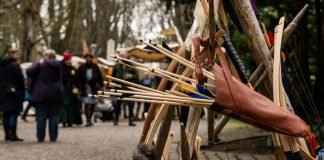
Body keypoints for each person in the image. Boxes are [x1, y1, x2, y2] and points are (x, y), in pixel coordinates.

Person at [26, 49, 63, 142]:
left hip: (41, 93)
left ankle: (40, 137)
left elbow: (29, 72)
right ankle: (53, 137)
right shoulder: (59, 65)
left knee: (41, 116)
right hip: (55, 93)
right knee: (54, 116)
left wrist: (37, 63)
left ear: (46, 56)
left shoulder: (40, 64)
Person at [0, 48, 25, 141]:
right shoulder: (14, 65)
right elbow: (20, 79)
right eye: (17, 54)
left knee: (6, 113)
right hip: (15, 92)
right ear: (12, 54)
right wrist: (22, 90)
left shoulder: (2, 65)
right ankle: (13, 134)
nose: (19, 56)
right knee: (14, 112)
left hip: (3, 91)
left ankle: (7, 134)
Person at [112, 51, 138, 126]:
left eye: (124, 55)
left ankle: (131, 120)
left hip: (128, 87)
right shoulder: (116, 66)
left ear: (127, 56)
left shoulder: (131, 66)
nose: (122, 57)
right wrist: (114, 85)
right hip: (119, 87)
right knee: (117, 104)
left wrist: (131, 76)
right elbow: (113, 76)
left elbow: (136, 76)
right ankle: (116, 119)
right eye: (121, 55)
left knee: (130, 104)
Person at [77, 54, 103, 127]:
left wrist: (101, 86)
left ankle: (90, 116)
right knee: (86, 103)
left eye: (89, 58)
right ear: (85, 59)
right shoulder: (81, 67)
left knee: (92, 103)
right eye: (87, 58)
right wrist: (79, 88)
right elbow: (78, 79)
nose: (88, 59)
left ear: (91, 59)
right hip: (84, 87)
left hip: (93, 87)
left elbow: (100, 77)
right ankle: (88, 119)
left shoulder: (95, 67)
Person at [59, 52, 82, 127]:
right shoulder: (60, 68)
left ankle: (71, 120)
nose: (68, 62)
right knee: (64, 104)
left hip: (72, 89)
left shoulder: (73, 69)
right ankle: (64, 120)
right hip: (64, 88)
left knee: (73, 105)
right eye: (67, 60)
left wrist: (77, 87)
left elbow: (77, 79)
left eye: (69, 60)